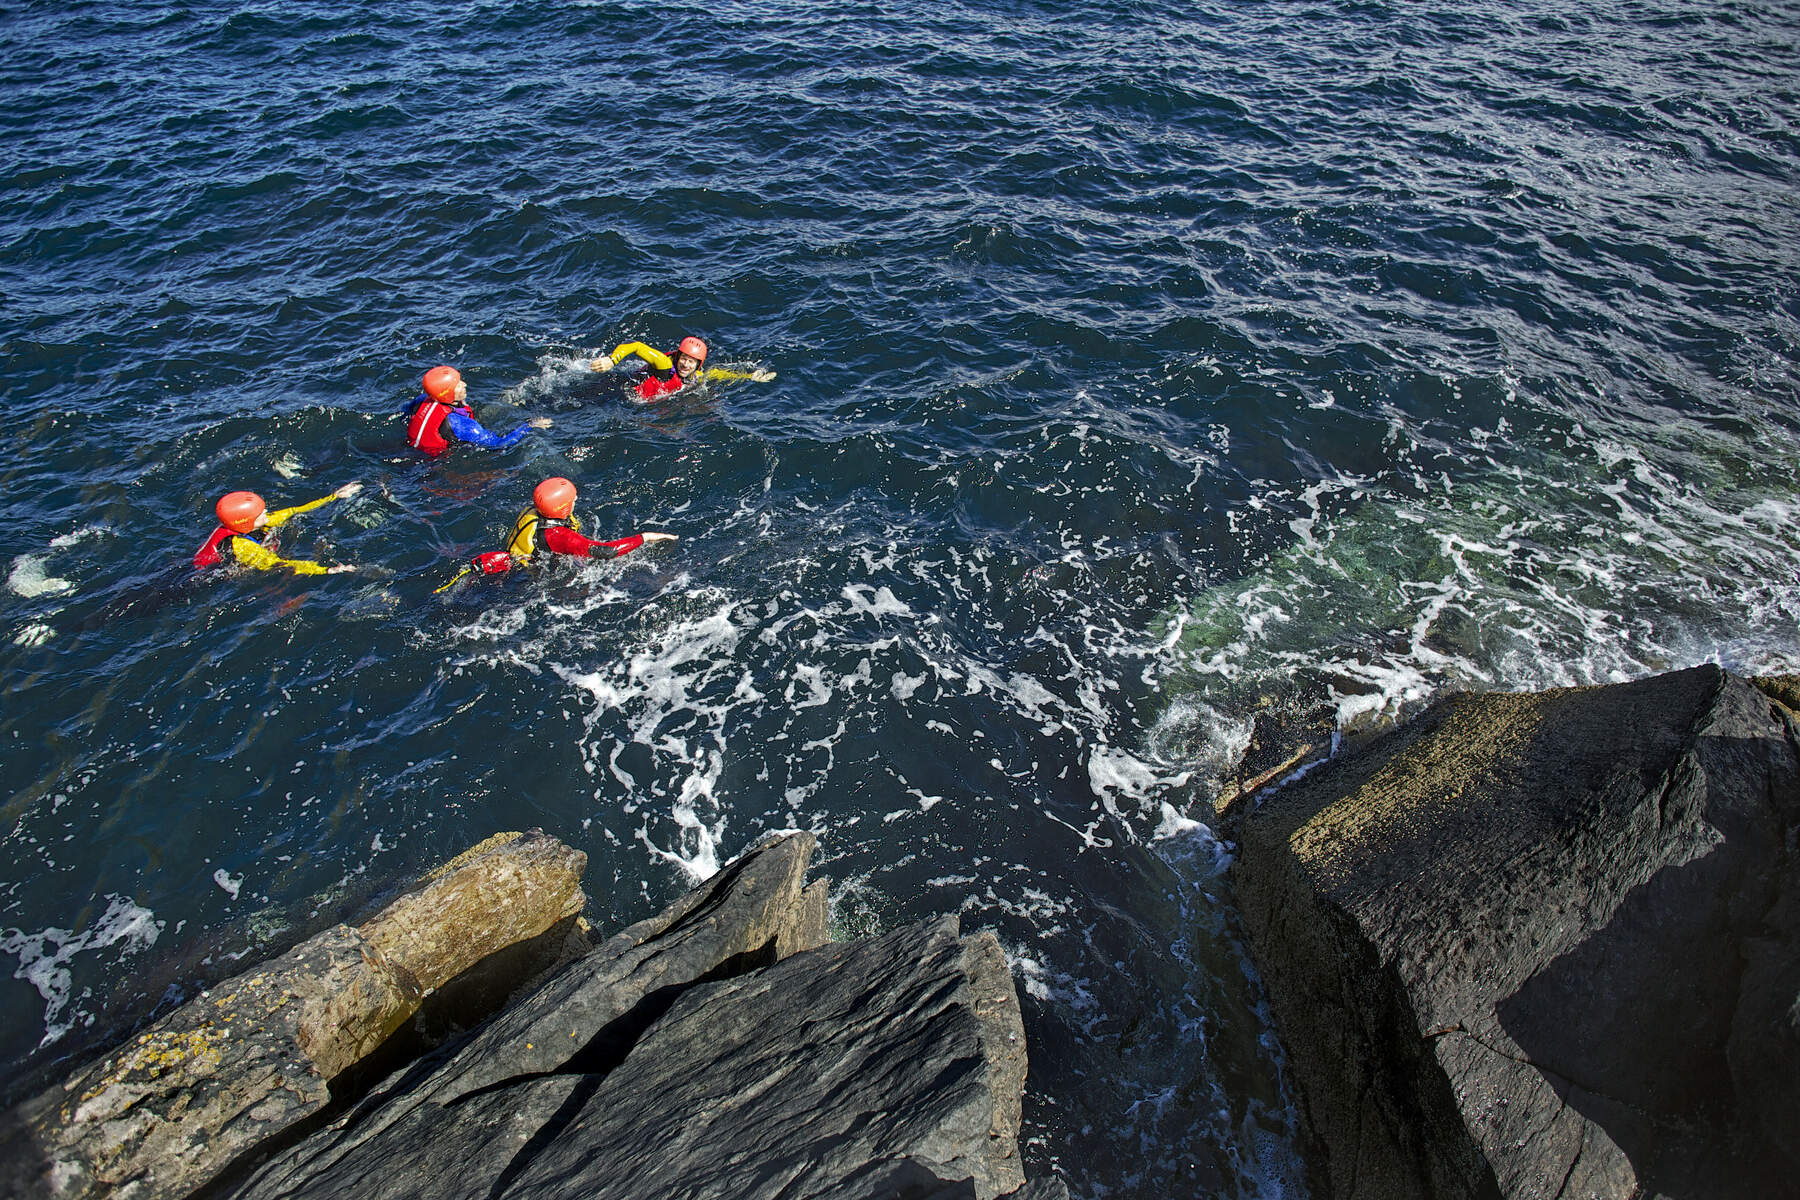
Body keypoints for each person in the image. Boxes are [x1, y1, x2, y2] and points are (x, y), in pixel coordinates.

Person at [438, 477, 676, 589]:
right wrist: (645, 537)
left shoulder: (533, 511)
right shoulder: (558, 536)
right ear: (563, 508)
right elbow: (607, 552)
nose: (576, 500)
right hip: (521, 577)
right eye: (573, 499)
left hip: (513, 561)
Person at [193, 484, 362, 574]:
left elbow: (294, 511)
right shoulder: (242, 547)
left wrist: (334, 497)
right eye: (260, 512)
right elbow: (278, 565)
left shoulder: (254, 522)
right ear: (246, 522)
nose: (266, 511)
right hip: (203, 576)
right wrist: (326, 570)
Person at [404, 365, 552, 455]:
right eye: (458, 384)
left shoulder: (424, 399)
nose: (465, 384)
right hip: (433, 460)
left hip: (411, 447)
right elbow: (499, 444)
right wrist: (529, 426)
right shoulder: (460, 424)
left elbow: (406, 411)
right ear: (447, 393)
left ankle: (509, 401)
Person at [588, 336, 775, 401]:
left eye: (692, 362)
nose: (686, 364)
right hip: (614, 389)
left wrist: (750, 377)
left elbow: (717, 374)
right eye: (684, 359)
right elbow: (635, 345)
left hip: (627, 399)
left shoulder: (696, 376)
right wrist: (612, 360)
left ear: (698, 365)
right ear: (678, 356)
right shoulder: (664, 365)